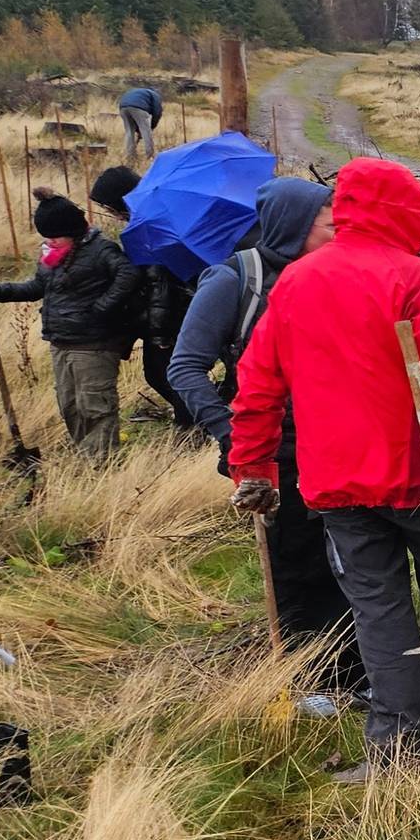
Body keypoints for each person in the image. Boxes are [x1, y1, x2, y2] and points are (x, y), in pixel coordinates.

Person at [228, 157, 420, 782]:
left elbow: (257, 386)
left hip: (337, 482)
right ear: (404, 212)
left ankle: (398, 747)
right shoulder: (418, 277)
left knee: (379, 610)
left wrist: (254, 468)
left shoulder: (295, 282)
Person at [170, 177, 366, 714]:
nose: (339, 231)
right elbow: (185, 367)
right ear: (295, 226)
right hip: (273, 450)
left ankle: (361, 670)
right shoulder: (236, 279)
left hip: (339, 441)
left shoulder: (334, 273)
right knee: (296, 561)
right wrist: (232, 434)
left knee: (352, 557)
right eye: (329, 223)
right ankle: (317, 680)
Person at [0, 194, 144, 458]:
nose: (49, 241)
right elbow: (37, 287)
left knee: (95, 406)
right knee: (69, 406)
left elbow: (129, 274)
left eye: (55, 236)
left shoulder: (101, 250)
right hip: (60, 341)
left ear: (73, 231)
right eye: (46, 236)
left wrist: (102, 307)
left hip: (95, 343)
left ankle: (101, 462)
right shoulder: (51, 255)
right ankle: (86, 454)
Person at [89, 166, 199, 435]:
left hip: (172, 315)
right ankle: (194, 419)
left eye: (107, 206)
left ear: (120, 200)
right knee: (167, 373)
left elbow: (160, 284)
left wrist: (160, 332)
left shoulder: (145, 229)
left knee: (165, 373)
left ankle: (192, 426)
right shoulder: (160, 215)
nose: (108, 212)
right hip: (182, 308)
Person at [117, 86, 162, 161]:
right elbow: (157, 112)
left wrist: (138, 130)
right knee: (146, 132)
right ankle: (150, 155)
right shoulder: (154, 94)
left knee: (129, 132)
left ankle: (130, 156)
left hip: (123, 108)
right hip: (139, 108)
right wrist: (151, 127)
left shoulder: (139, 92)